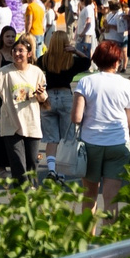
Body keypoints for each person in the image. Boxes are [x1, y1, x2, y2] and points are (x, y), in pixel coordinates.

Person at [71, 43, 130, 217]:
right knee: (111, 198)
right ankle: (109, 239)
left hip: (91, 143)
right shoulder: (126, 84)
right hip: (118, 143)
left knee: (89, 196)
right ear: (116, 61)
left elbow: (76, 117)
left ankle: (89, 239)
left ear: (97, 59)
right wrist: (128, 137)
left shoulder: (86, 82)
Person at [0, 33, 48, 184]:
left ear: (29, 54)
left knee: (31, 165)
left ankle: (31, 194)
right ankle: (22, 196)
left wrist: (41, 95)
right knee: (18, 166)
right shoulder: (4, 72)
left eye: (20, 51)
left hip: (31, 124)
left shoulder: (36, 72)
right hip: (11, 125)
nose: (17, 53)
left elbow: (43, 98)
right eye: (14, 51)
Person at [37, 29, 89, 176]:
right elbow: (87, 62)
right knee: (67, 137)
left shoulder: (44, 60)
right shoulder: (71, 60)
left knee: (51, 138)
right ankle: (63, 169)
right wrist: (75, 51)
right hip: (66, 96)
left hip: (49, 97)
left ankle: (52, 169)